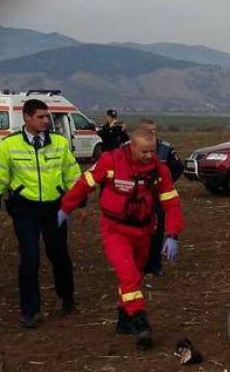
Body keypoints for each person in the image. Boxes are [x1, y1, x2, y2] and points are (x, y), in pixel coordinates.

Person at [60, 126, 184, 348]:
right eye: (144, 152)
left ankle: (124, 320)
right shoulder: (111, 161)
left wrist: (172, 234)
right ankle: (140, 322)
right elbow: (85, 184)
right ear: (132, 146)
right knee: (128, 276)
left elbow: (171, 203)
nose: (149, 156)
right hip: (115, 229)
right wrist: (65, 208)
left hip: (144, 231)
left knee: (135, 277)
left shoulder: (159, 170)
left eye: (152, 151)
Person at [0, 98, 80, 328]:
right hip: (25, 209)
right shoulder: (9, 145)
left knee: (59, 256)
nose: (46, 121)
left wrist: (81, 202)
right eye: (40, 117)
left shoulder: (59, 143)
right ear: (27, 117)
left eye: (47, 116)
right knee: (29, 258)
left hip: (54, 209)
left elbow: (72, 174)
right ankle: (30, 311)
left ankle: (67, 297)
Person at [139, 118, 185, 276]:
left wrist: (166, 182)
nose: (152, 133)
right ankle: (139, 263)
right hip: (138, 199)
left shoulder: (165, 148)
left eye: (154, 130)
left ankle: (155, 264)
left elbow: (178, 167)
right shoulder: (130, 148)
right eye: (148, 130)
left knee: (157, 231)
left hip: (158, 198)